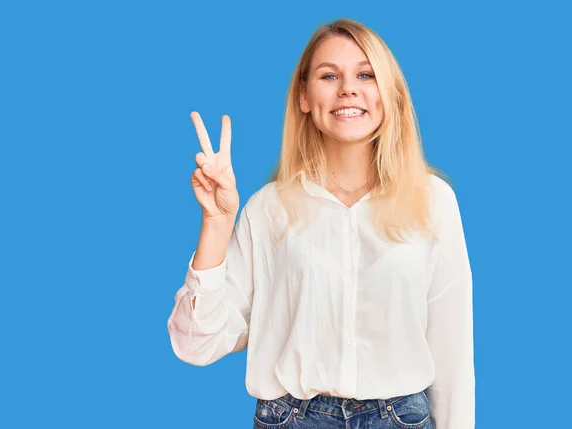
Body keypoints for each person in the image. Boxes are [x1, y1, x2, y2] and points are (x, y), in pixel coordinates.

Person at [167, 18, 474, 429]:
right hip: (290, 418)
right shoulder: (267, 210)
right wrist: (217, 222)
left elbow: (451, 348)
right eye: (329, 75)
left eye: (366, 74)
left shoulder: (433, 202)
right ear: (304, 96)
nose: (348, 88)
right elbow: (195, 345)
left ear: (390, 93)